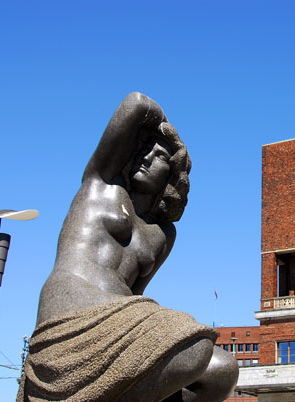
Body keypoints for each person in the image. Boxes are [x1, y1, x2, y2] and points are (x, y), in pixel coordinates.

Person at [18, 92, 238, 402]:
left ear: (173, 176)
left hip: (120, 317)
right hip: (71, 299)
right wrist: (168, 134)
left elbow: (136, 296)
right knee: (192, 342)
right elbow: (135, 103)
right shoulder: (102, 184)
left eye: (159, 155)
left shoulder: (163, 235)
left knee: (221, 370)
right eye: (144, 150)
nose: (147, 157)